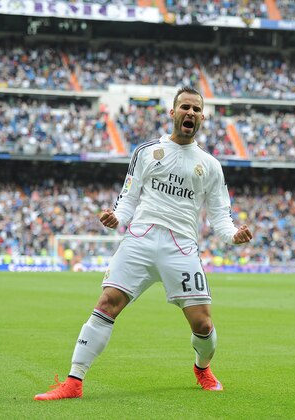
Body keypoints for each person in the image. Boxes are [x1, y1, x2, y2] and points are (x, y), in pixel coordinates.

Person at [34, 87, 252, 401]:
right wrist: (116, 217)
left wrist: (234, 235)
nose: (190, 113)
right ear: (173, 113)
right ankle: (74, 382)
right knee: (106, 303)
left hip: (181, 248)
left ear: (203, 117)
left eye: (196, 109)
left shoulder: (210, 165)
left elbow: (220, 218)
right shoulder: (146, 151)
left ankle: (202, 367)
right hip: (140, 239)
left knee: (203, 324)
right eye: (184, 107)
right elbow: (128, 198)